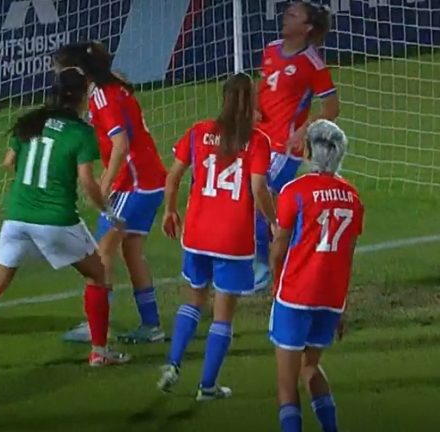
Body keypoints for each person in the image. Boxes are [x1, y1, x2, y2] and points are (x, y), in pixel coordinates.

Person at [0, 67, 130, 369]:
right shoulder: (81, 133)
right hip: (55, 219)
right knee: (98, 274)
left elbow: (9, 163)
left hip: (17, 215)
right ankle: (99, 351)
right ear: (82, 97)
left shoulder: (30, 122)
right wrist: (107, 210)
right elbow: (86, 182)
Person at [156, 73, 277, 400]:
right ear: (252, 101)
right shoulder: (258, 141)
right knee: (222, 313)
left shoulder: (199, 132)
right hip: (233, 240)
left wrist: (169, 210)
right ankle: (207, 387)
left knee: (193, 300)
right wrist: (274, 220)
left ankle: (172, 365)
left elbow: (173, 176)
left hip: (196, 233)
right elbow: (258, 188)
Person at [54, 41, 168, 344]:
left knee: (101, 254)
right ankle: (152, 325)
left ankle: (96, 326)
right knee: (132, 252)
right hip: (150, 181)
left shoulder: (102, 96)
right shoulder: (114, 88)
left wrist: (102, 187)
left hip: (134, 184)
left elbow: (121, 145)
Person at [269, 120, 364, 432]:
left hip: (295, 294)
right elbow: (347, 255)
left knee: (286, 388)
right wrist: (342, 306)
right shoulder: (353, 197)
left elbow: (279, 247)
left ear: (309, 151)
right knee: (310, 367)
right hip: (331, 298)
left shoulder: (294, 191)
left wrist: (275, 281)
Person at [254, 1, 340, 289]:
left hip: (285, 148)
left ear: (307, 28)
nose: (286, 17)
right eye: (287, 12)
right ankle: (279, 255)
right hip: (259, 139)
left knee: (259, 197)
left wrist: (304, 129)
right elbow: (263, 85)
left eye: (294, 15)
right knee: (256, 200)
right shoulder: (270, 48)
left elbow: (331, 107)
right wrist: (253, 107)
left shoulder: (313, 63)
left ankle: (264, 267)